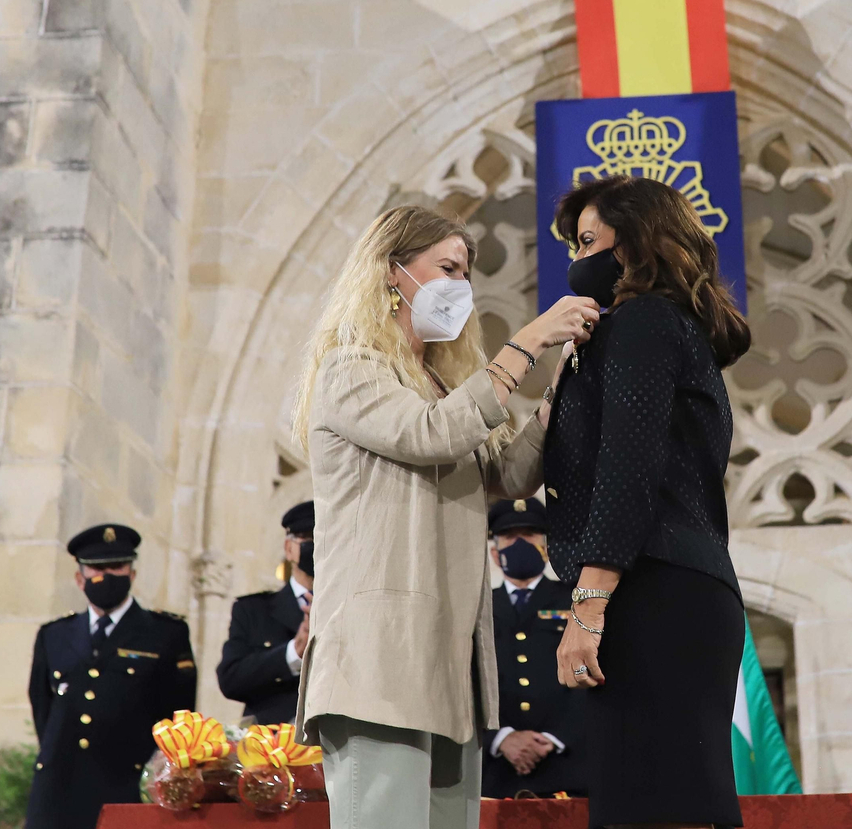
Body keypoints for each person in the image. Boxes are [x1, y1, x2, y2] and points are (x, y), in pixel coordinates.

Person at [288, 205, 599, 829]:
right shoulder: (352, 368)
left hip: (446, 657)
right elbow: (430, 436)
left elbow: (509, 476)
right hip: (379, 658)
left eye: (467, 274)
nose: (461, 288)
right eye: (448, 268)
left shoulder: (436, 382)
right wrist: (529, 342)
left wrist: (561, 381)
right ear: (390, 271)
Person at [546, 175, 752, 829]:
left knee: (657, 804)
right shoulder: (667, 326)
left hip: (652, 592)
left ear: (632, 244)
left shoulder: (642, 321)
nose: (575, 261)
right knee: (663, 801)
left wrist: (590, 601)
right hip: (677, 589)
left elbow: (628, 468)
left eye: (586, 241)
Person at [26, 524, 197, 829]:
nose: (107, 576)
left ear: (132, 573)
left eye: (117, 567)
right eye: (97, 568)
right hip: (58, 791)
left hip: (126, 786)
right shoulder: (53, 635)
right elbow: (43, 709)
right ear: (80, 578)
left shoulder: (164, 633)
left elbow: (178, 715)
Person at [482, 498, 589, 799]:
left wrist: (554, 738)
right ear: (494, 551)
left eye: (529, 534)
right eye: (510, 536)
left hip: (569, 764)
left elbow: (596, 671)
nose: (520, 543)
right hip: (493, 772)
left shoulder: (578, 602)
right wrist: (500, 738)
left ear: (546, 547)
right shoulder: (477, 607)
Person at [217, 501, 317, 725]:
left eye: (326, 539)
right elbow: (231, 679)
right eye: (309, 539)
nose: (318, 547)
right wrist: (293, 652)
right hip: (272, 747)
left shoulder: (353, 610)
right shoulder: (254, 610)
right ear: (289, 549)